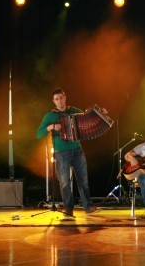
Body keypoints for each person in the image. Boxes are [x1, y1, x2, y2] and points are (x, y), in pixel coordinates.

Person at [36, 88, 101, 217]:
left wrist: (100, 114)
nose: (59, 101)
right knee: (65, 182)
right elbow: (39, 134)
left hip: (77, 150)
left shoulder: (75, 111)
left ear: (65, 97)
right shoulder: (50, 116)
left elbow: (88, 121)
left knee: (83, 181)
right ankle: (68, 208)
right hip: (61, 153)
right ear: (53, 101)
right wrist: (51, 127)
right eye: (57, 99)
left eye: (61, 98)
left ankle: (88, 207)